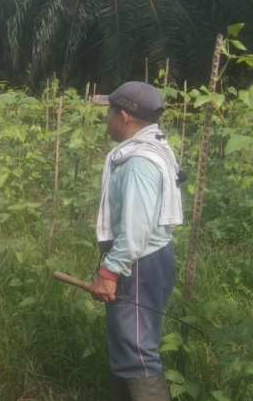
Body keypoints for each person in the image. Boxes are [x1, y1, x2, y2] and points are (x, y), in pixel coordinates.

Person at [90, 82, 184, 401]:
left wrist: (109, 272)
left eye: (110, 112)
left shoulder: (137, 164)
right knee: (126, 344)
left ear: (125, 116)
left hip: (138, 263)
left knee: (137, 351)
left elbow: (135, 230)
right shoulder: (152, 147)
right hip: (149, 259)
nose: (107, 119)